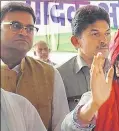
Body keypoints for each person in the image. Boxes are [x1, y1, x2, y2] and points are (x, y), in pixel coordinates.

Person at [0, 2, 69, 131]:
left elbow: (62, 125)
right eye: (15, 26)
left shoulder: (49, 74)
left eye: (30, 28)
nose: (24, 32)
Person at [56, 5, 111, 111]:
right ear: (76, 41)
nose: (104, 40)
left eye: (107, 33)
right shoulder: (58, 75)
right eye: (95, 34)